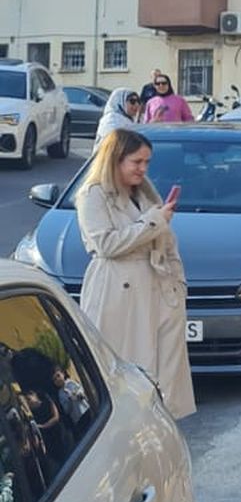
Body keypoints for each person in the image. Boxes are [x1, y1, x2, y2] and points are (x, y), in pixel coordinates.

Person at [75, 127, 195, 419]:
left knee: (163, 377)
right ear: (116, 159)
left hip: (159, 291)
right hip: (119, 291)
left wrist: (178, 283)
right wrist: (154, 221)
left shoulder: (144, 193)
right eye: (137, 162)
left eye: (147, 162)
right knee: (124, 374)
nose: (143, 168)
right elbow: (106, 244)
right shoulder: (93, 195)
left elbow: (168, 242)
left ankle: (161, 433)